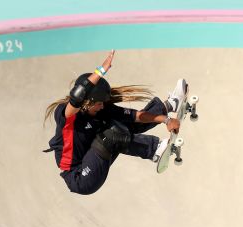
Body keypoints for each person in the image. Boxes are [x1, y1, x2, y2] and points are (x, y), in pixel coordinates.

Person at [44, 50, 187, 195]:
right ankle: (155, 150)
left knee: (122, 123)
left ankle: (170, 105)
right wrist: (100, 71)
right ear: (87, 103)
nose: (102, 106)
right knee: (111, 134)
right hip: (80, 177)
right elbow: (77, 95)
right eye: (99, 103)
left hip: (93, 157)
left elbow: (137, 116)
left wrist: (166, 120)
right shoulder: (67, 117)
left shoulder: (101, 110)